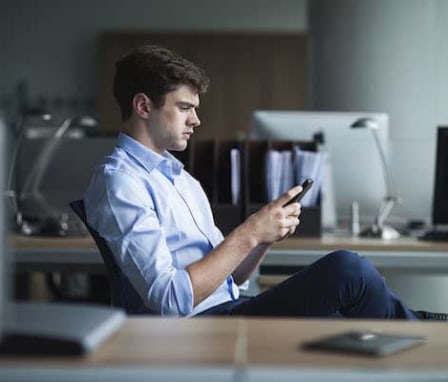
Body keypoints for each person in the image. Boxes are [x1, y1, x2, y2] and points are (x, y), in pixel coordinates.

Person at [84, 44, 439, 320]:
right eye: (184, 107)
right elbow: (170, 300)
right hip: (199, 328)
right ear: (144, 106)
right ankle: (424, 337)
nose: (197, 119)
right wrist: (250, 232)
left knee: (347, 310)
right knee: (347, 270)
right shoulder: (120, 184)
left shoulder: (180, 178)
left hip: (229, 309)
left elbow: (231, 278)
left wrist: (265, 238)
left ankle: (418, 333)